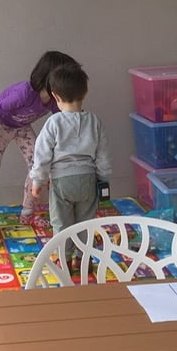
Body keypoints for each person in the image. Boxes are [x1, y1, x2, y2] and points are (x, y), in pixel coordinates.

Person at [0, 50, 78, 227]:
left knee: (38, 167)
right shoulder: (24, 93)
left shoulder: (54, 100)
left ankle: (27, 214)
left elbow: (61, 122)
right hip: (1, 125)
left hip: (22, 127)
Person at [28, 62, 110, 238]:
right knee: (86, 223)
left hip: (62, 182)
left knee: (61, 223)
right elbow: (102, 154)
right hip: (88, 180)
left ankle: (64, 253)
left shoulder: (54, 122)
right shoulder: (94, 121)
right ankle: (84, 252)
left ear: (55, 96)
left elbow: (42, 155)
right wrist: (103, 178)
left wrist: (37, 180)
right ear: (85, 92)